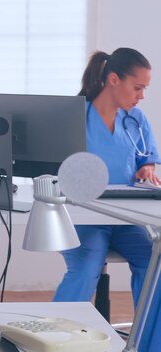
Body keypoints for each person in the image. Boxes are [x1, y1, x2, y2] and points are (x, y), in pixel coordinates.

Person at [53, 47, 161, 350]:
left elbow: (146, 157)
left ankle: (148, 343)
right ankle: (49, 340)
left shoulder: (136, 120)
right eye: (137, 87)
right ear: (113, 79)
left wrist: (146, 168)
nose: (141, 96)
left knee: (155, 261)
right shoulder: (74, 118)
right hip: (84, 219)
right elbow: (57, 170)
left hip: (126, 219)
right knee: (87, 267)